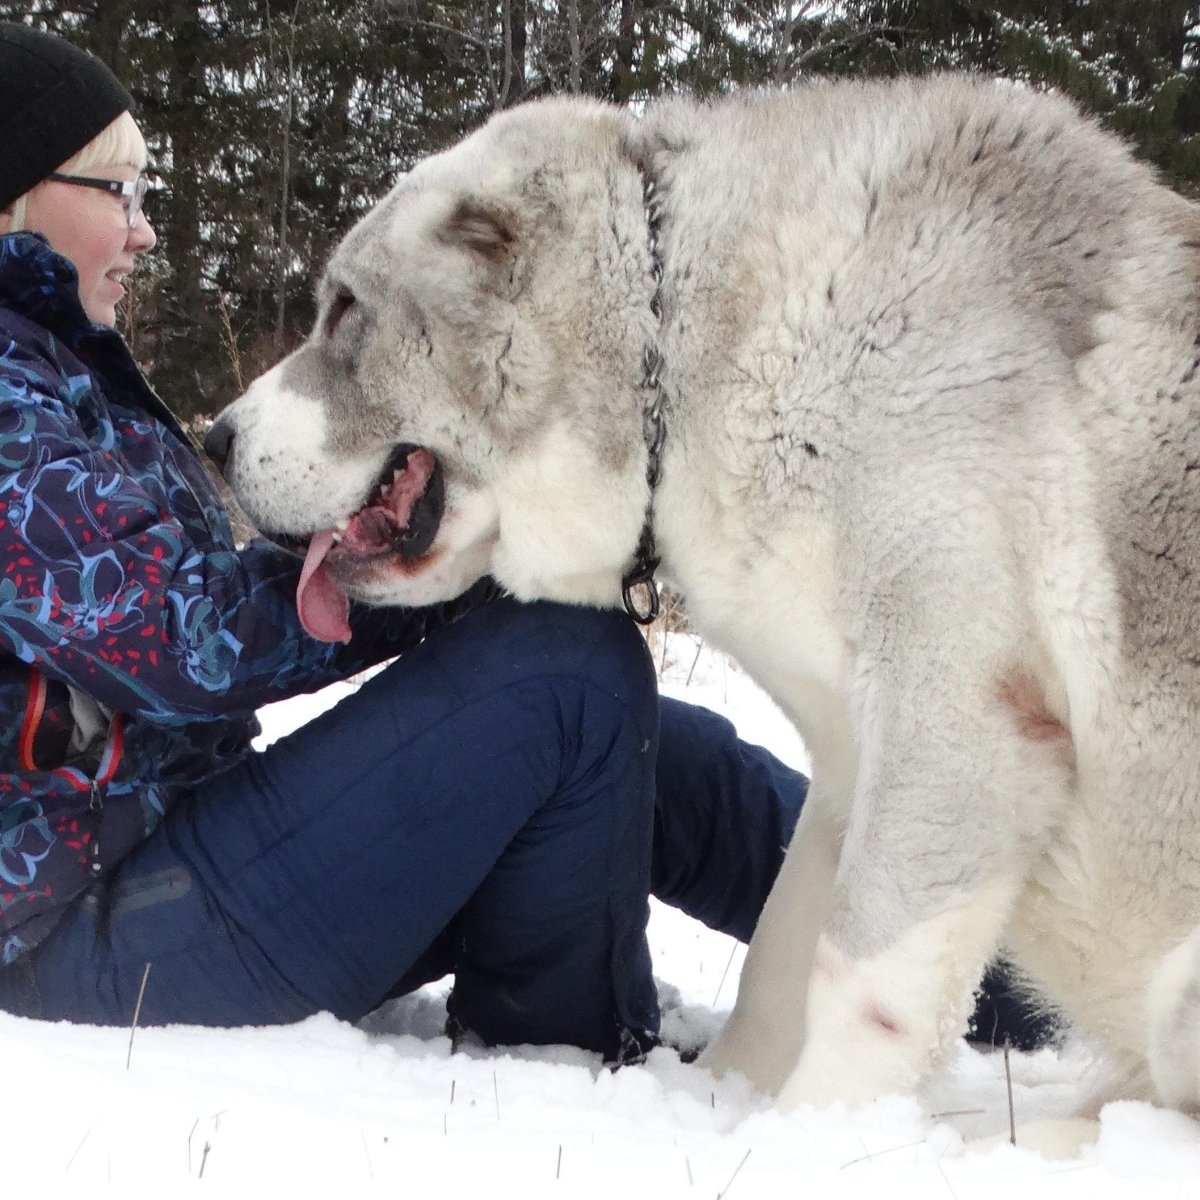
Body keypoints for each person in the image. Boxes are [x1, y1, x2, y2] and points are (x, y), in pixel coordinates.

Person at [0, 23, 1046, 1063]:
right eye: (119, 191)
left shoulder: (58, 367)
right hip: (91, 940)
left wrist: (455, 542)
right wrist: (443, 568)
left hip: (181, 861)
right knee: (566, 681)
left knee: (651, 743)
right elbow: (180, 642)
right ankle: (564, 1059)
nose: (142, 230)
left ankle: (1023, 988)